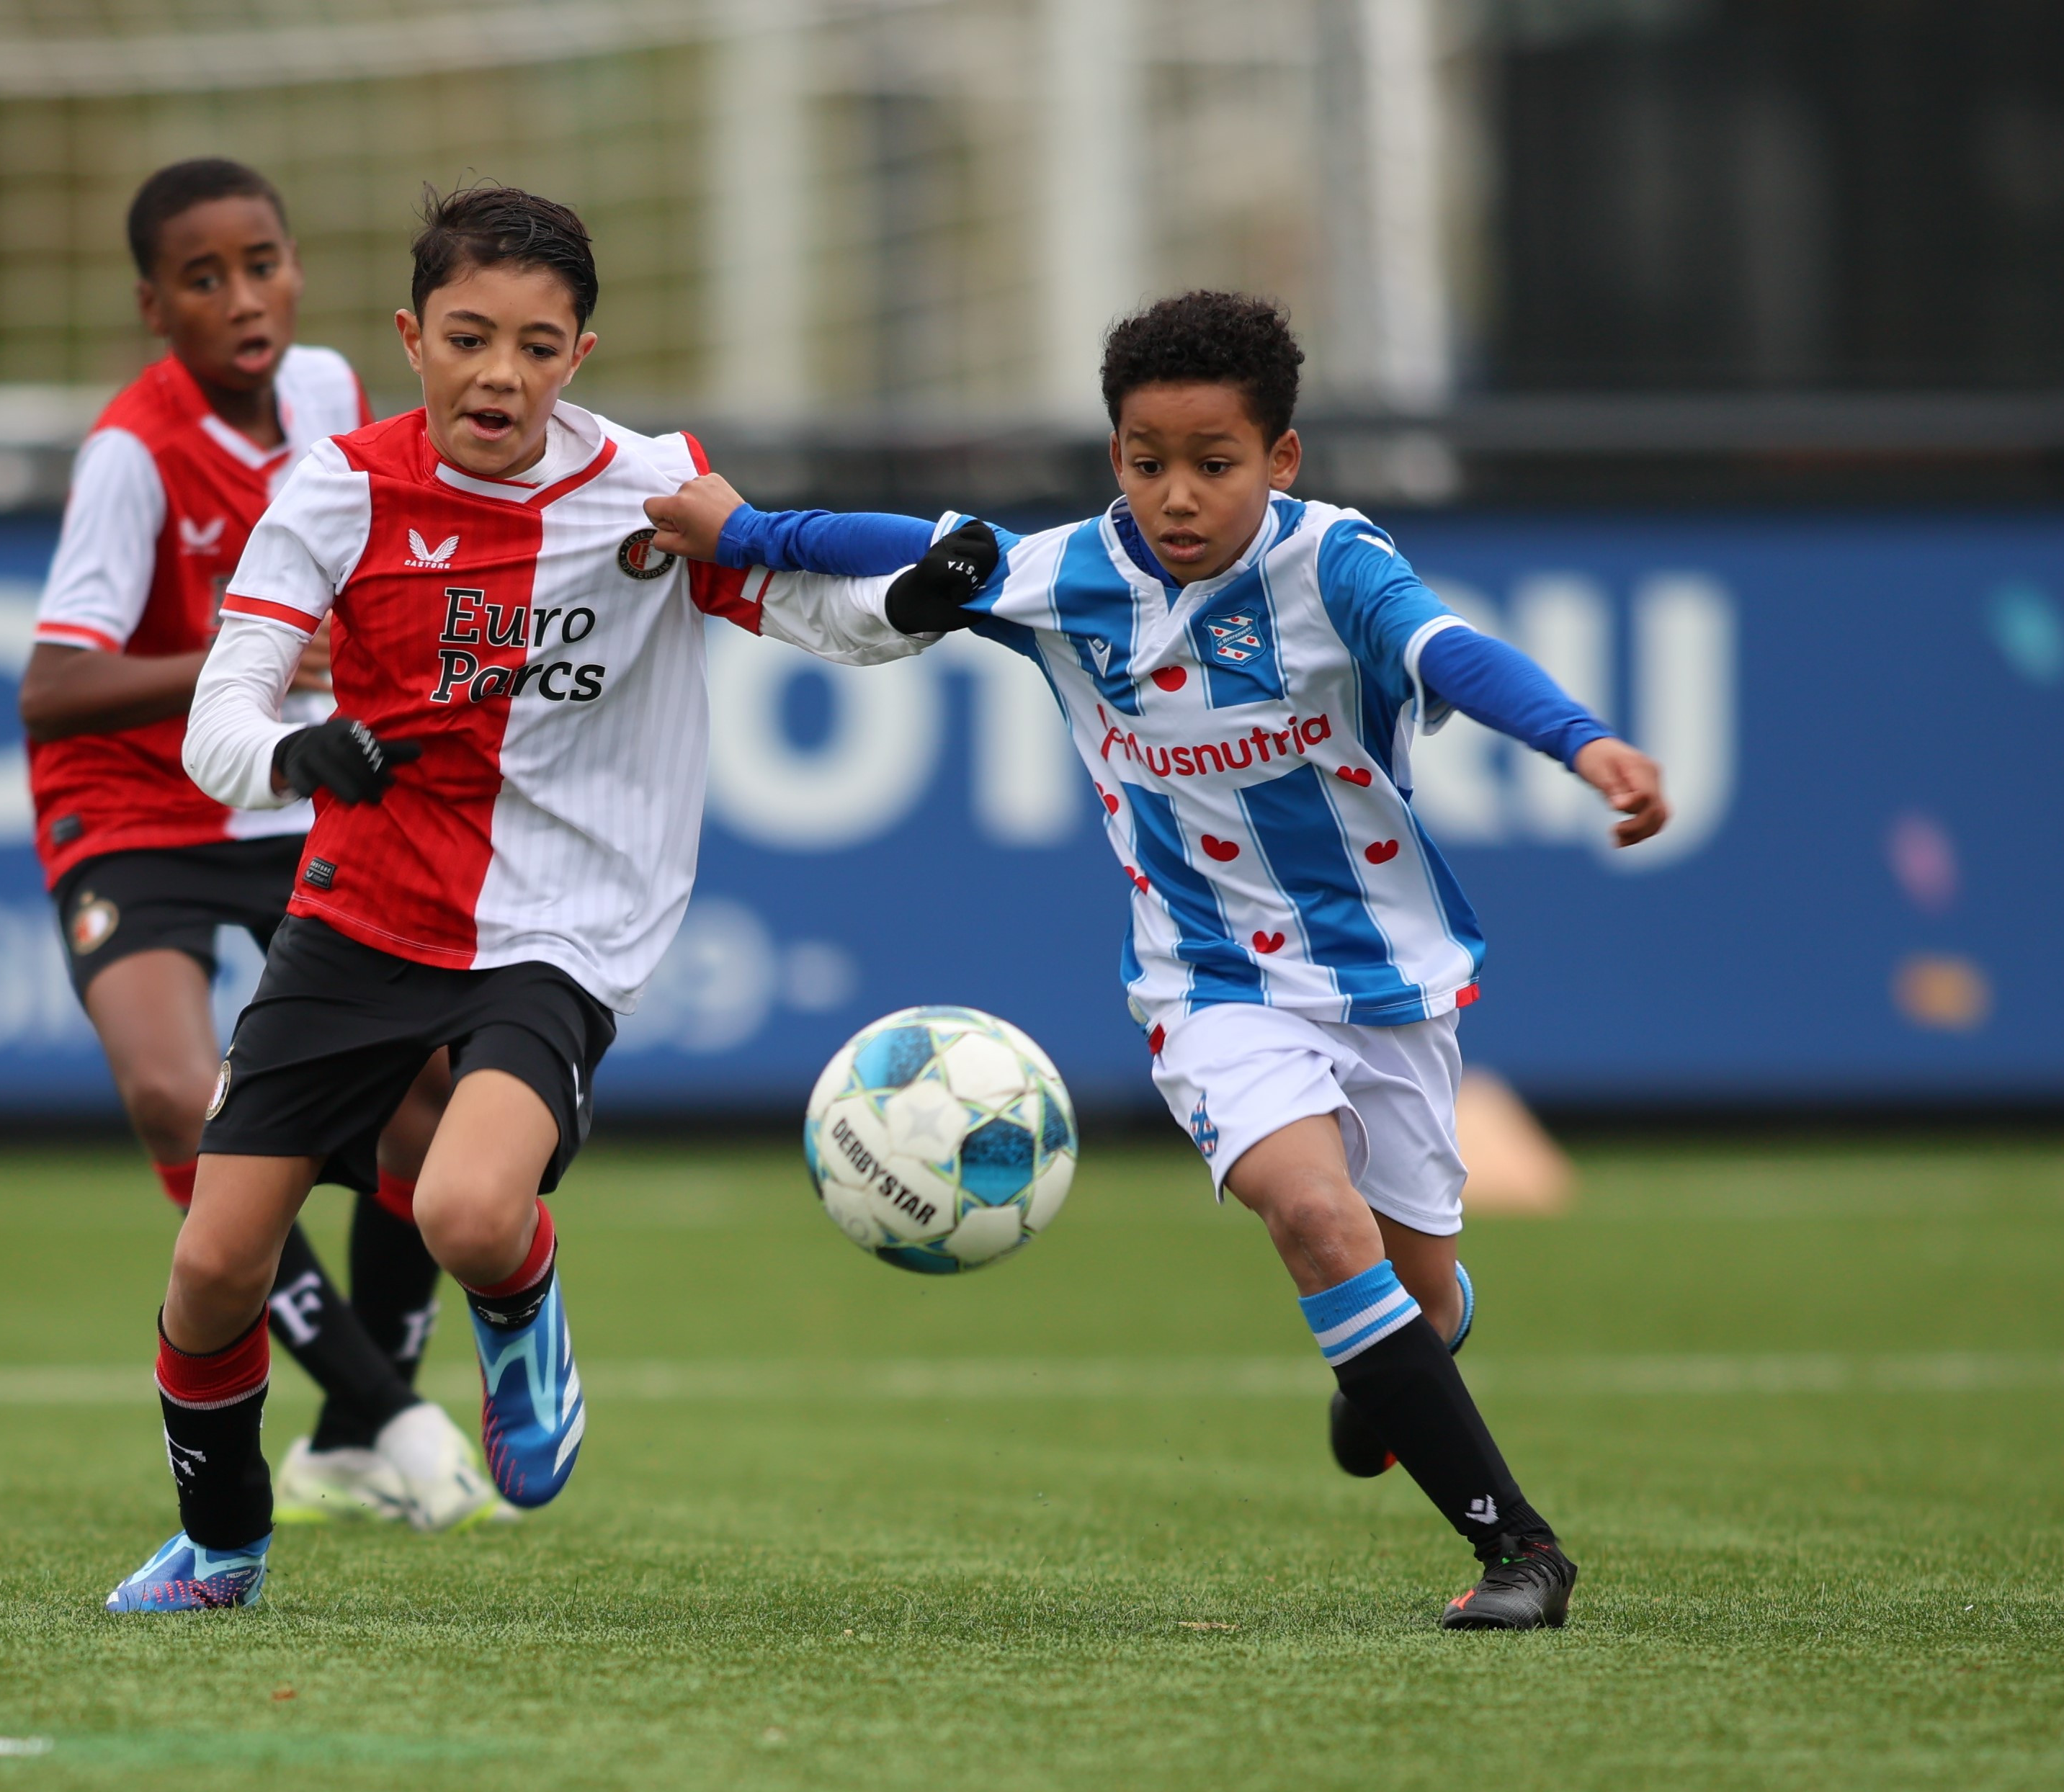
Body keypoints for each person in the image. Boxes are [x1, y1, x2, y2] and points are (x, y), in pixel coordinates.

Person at [640, 290, 1671, 1629]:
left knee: (1411, 1294)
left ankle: (1410, 1350)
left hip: (1384, 982)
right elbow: (923, 546)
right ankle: (1517, 1551)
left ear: (1280, 460)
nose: (1175, 497)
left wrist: (1583, 742)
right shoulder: (1074, 579)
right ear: (1112, 452)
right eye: (1144, 461)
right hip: (1207, 988)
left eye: (1212, 464)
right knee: (1310, 1216)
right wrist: (749, 531)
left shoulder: (1335, 570)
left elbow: (1453, 655)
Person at [104, 183, 934, 1611]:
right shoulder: (338, 489)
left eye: (538, 347)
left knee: (471, 1210)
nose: (502, 375)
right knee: (213, 1268)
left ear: (580, 354)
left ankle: (520, 1314)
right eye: (471, 338)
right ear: (410, 337)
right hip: (357, 916)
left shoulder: (651, 484)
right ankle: (223, 1542)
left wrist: (913, 607)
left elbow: (810, 613)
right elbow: (216, 722)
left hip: (558, 921)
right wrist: (297, 748)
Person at [21, 158, 492, 1536]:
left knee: (432, 1088)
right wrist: (254, 663)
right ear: (152, 303)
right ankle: (389, 1412)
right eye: (205, 276)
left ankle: (357, 1428)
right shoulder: (131, 452)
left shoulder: (338, 395)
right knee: (182, 1096)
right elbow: (53, 687)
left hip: (292, 793)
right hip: (137, 810)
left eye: (264, 262)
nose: (245, 297)